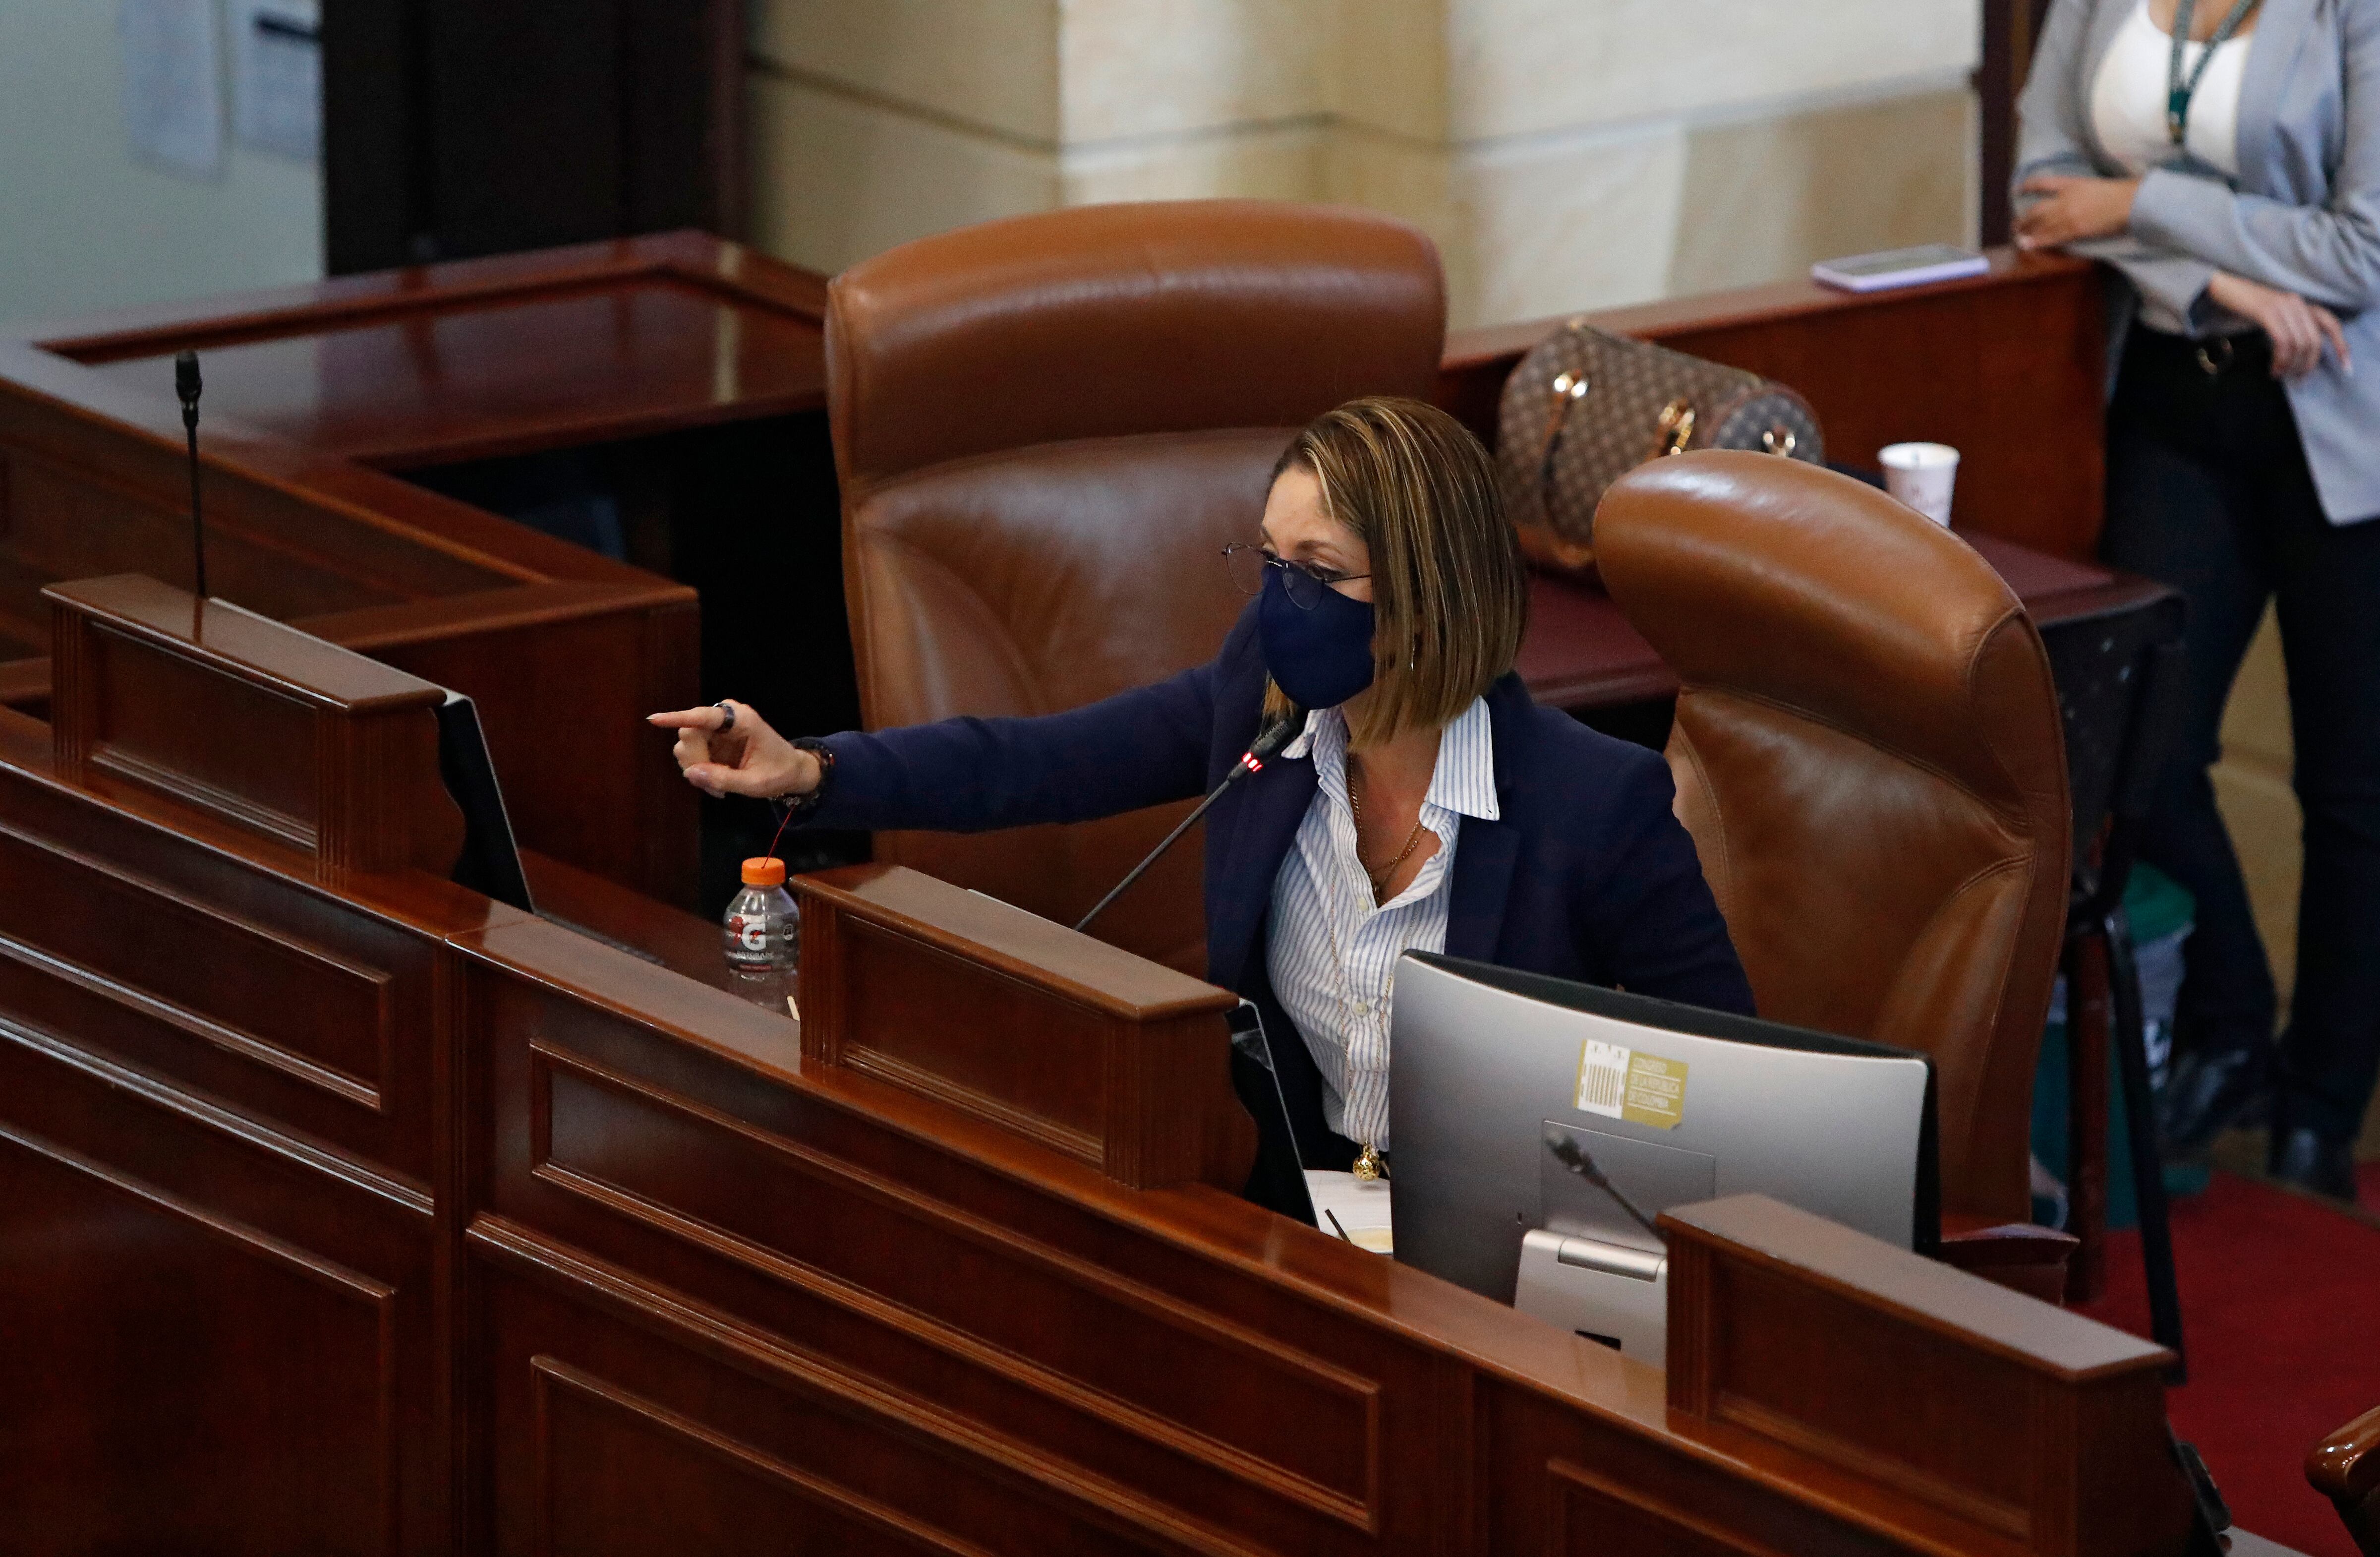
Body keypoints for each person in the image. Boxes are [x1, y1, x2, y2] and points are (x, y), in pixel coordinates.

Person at [650, 396, 1754, 1184]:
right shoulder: (1261, 714)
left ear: (1429, 596)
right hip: (1286, 1227)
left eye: (1316, 574)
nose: (1279, 604)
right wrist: (815, 768)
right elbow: (1038, 761)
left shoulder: (1593, 806)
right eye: (1268, 561)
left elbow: (1730, 1092)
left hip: (1505, 1280)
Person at [2014, 0, 2380, 1196]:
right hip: (2171, 401)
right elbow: (2040, 194)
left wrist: (2140, 206)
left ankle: (2321, 1102)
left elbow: (2361, 251)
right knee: (2144, 751)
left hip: (2341, 417)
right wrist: (2221, 274)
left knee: (2351, 785)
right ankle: (2231, 1023)